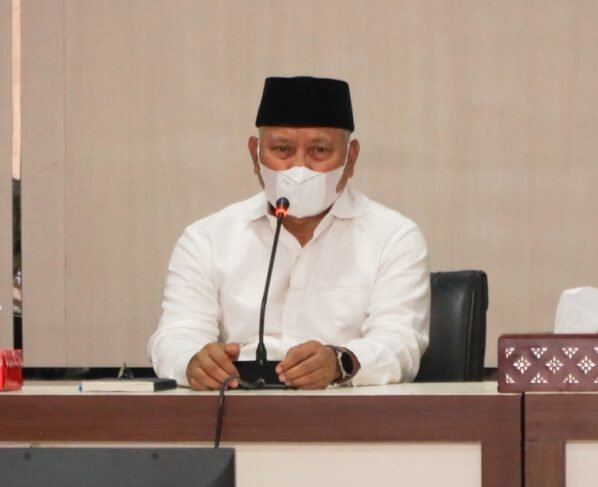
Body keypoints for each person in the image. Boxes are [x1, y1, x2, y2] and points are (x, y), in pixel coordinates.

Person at [148, 76, 430, 390]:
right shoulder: (207, 238)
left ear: (350, 158)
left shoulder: (393, 237)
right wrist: (193, 363)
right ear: (255, 154)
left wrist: (339, 362)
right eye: (282, 149)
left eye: (319, 150)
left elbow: (400, 342)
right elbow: (175, 336)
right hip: (237, 406)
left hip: (343, 409)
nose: (299, 168)